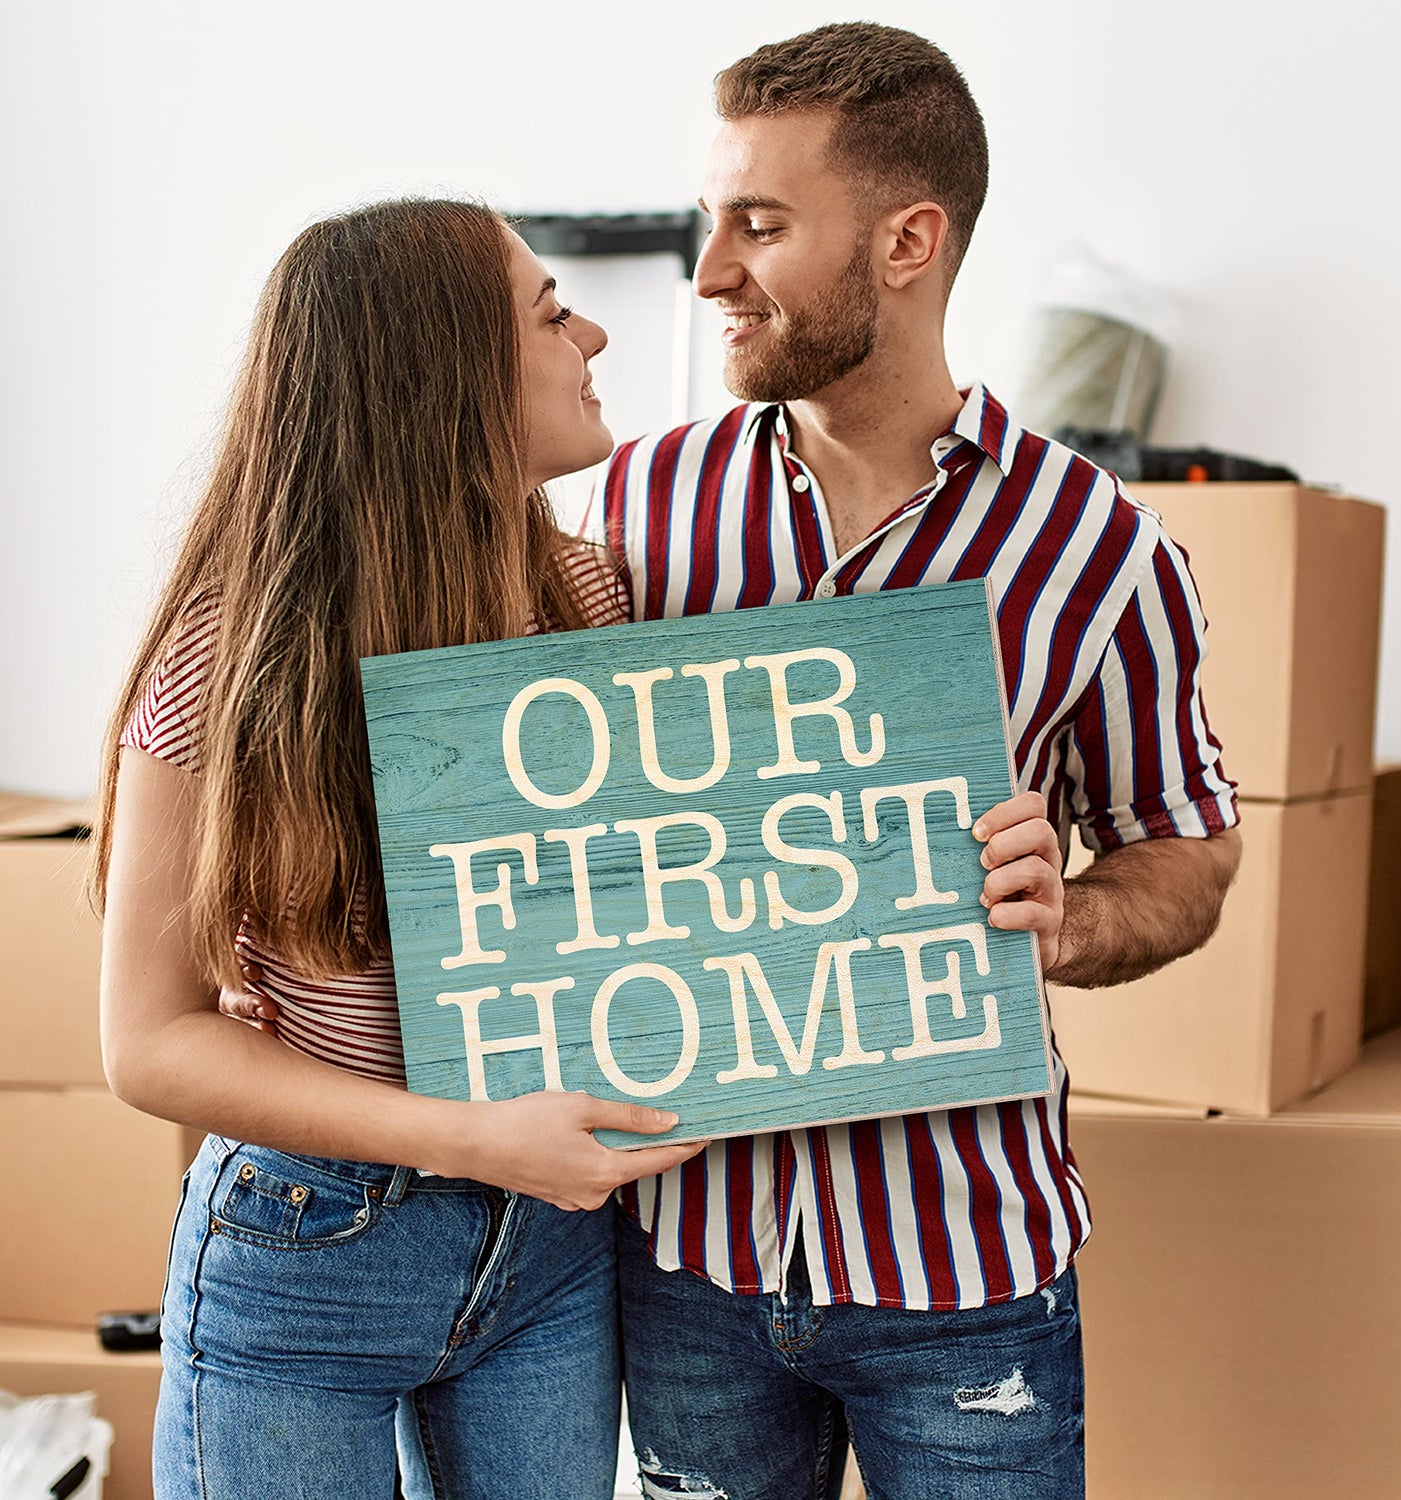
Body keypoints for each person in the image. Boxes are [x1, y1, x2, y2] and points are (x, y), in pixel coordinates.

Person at [598, 22, 1243, 1500]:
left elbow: (1189, 847)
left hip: (963, 1273)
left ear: (908, 239)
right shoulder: (637, 513)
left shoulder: (1101, 550)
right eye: (715, 220)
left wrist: (1072, 917)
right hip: (688, 1263)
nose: (709, 274)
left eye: (759, 225)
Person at [92, 198, 703, 1500]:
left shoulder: (597, 605)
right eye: (551, 314)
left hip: (546, 1256)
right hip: (307, 1246)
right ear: (439, 378)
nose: (594, 333)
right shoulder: (232, 664)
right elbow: (145, 1042)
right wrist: (473, 1136)